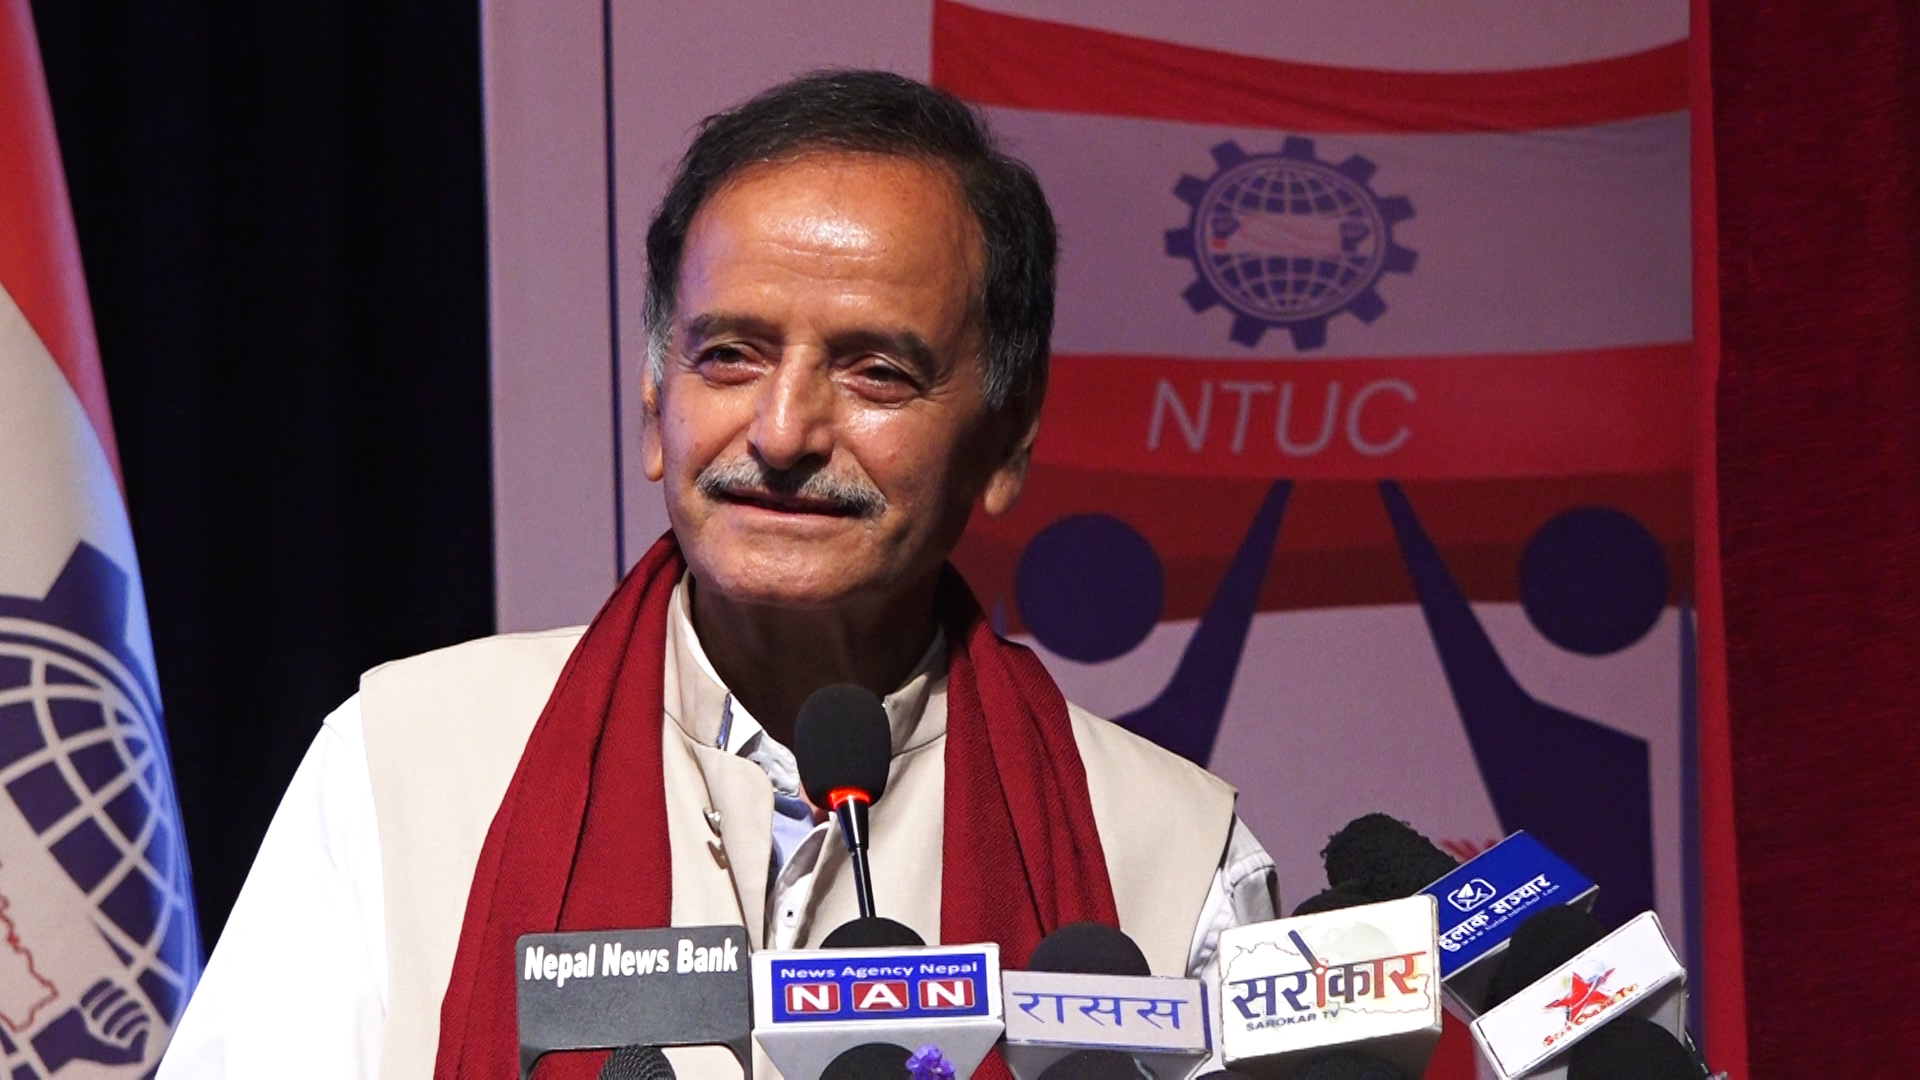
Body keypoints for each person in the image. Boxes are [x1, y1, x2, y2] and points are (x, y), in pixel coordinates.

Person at [159, 70, 1278, 1079]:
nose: (783, 432)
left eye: (876, 372)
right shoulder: (405, 764)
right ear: (657, 408)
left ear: (1007, 443)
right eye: (730, 356)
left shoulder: (1171, 850)